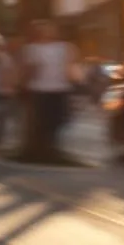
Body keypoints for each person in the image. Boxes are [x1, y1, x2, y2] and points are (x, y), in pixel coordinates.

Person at [19, 20, 80, 162]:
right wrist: (23, 84)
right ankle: (43, 148)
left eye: (50, 29)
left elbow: (71, 65)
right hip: (40, 89)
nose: (47, 33)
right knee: (41, 120)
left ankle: (52, 145)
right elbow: (29, 69)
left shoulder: (65, 47)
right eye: (43, 30)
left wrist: (75, 81)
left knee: (60, 118)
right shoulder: (32, 49)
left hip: (60, 88)